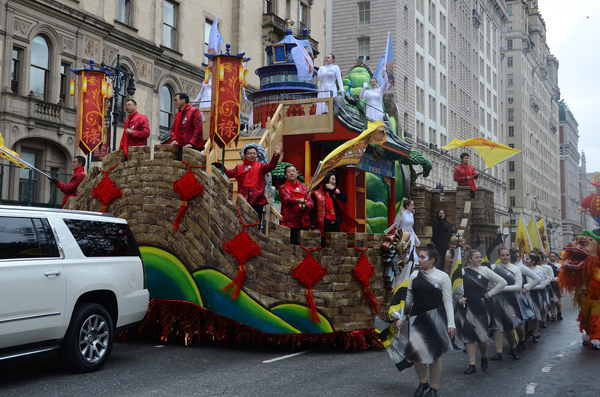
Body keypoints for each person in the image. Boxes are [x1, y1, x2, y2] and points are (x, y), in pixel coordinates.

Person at [397, 248, 455, 397]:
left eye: (422, 257)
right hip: (417, 317)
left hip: (436, 318)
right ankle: (423, 383)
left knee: (435, 353)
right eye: (419, 257)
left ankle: (434, 388)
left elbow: (448, 300)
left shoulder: (442, 277)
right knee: (417, 351)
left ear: (432, 260)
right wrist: (401, 317)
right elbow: (408, 298)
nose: (419, 260)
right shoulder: (415, 275)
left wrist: (451, 324)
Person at [455, 249, 506, 374]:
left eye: (480, 257)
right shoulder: (462, 271)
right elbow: (456, 288)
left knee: (482, 337)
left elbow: (502, 282)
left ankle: (483, 356)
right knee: (468, 336)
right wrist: (460, 299)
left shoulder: (485, 270)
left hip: (481, 305)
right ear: (470, 259)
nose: (479, 259)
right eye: (477, 257)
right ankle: (471, 364)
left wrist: (490, 293)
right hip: (467, 306)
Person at [220, 143, 281, 225]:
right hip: (243, 199)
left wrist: (276, 155)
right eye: (249, 153)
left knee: (256, 223)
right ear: (244, 155)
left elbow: (271, 166)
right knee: (243, 223)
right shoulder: (239, 167)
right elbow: (229, 174)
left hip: (257, 200)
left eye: (254, 153)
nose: (252, 155)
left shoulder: (261, 166)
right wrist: (221, 166)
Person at [490, 247, 524, 361]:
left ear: (510, 256)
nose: (505, 257)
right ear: (499, 256)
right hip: (496, 299)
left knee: (510, 325)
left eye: (507, 255)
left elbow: (518, 286)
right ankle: (498, 352)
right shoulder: (493, 268)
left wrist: (502, 288)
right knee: (497, 325)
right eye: (503, 255)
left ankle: (514, 347)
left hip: (511, 299)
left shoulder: (515, 269)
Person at [512, 248, 541, 351]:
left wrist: (526, 288)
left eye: (516, 255)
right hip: (507, 296)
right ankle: (513, 341)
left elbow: (536, 279)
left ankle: (522, 339)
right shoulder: (501, 267)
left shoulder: (521, 267)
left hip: (520, 295)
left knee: (520, 319)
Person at [278, 164, 314, 245]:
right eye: (289, 172)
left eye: (293, 171)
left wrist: (305, 206)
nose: (291, 173)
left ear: (297, 173)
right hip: (290, 223)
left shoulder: (304, 187)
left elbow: (311, 202)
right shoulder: (283, 188)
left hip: (304, 222)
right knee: (290, 247)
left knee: (305, 247)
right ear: (285, 175)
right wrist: (298, 201)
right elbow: (287, 200)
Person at [309, 172, 348, 245]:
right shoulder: (316, 194)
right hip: (322, 225)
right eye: (332, 179)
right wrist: (313, 226)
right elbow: (312, 211)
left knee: (335, 246)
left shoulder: (334, 193)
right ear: (326, 180)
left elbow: (344, 199)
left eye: (335, 180)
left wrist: (334, 189)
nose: (334, 182)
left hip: (335, 224)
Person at [524, 252, 548, 343]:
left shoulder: (539, 270)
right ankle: (529, 330)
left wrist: (528, 287)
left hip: (536, 295)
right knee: (528, 313)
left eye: (527, 259)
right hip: (526, 294)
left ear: (533, 261)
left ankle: (535, 333)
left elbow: (542, 285)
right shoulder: (524, 269)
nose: (525, 260)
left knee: (536, 314)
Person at [386, 198, 419, 263]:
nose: (413, 207)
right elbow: (396, 224)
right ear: (407, 206)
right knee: (405, 252)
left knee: (412, 251)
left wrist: (415, 236)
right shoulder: (402, 214)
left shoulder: (411, 215)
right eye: (412, 205)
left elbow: (411, 227)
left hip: (411, 235)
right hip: (403, 235)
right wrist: (400, 216)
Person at [547, 251, 563, 321]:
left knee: (556, 300)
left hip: (556, 284)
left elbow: (562, 275)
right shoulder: (547, 265)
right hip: (549, 284)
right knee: (551, 300)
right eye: (551, 256)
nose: (552, 258)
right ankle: (553, 315)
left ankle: (559, 312)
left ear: (556, 257)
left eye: (553, 256)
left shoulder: (559, 266)